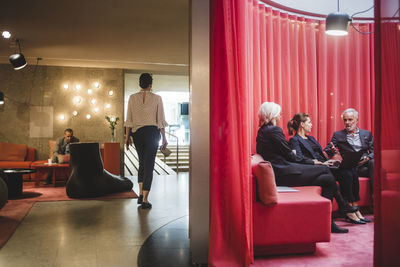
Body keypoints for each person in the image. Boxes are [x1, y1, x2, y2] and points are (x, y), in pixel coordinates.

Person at [256, 102, 358, 233]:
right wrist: (313, 163)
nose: (281, 116)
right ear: (272, 115)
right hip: (283, 172)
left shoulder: (262, 131)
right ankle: (343, 207)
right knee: (325, 170)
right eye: (279, 113)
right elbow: (289, 155)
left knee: (327, 179)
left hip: (279, 171)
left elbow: (286, 154)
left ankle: (329, 221)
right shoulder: (274, 130)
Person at [288, 113, 368, 224]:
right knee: (346, 174)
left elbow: (321, 153)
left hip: (325, 164)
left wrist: (329, 160)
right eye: (309, 122)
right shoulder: (294, 140)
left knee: (350, 170)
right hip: (314, 168)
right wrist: (315, 162)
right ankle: (347, 209)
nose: (311, 125)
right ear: (302, 124)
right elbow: (298, 158)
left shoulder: (311, 138)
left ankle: (351, 206)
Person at [125, 73, 168, 209]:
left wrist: (127, 137)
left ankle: (140, 193)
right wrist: (164, 138)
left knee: (142, 163)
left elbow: (129, 120)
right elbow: (160, 120)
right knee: (149, 165)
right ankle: (145, 199)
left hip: (137, 134)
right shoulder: (157, 98)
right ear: (151, 83)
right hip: (152, 134)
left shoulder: (132, 98)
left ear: (139, 83)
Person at [324, 108, 374, 212]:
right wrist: (332, 150)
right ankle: (352, 206)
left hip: (363, 164)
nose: (347, 123)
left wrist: (367, 158)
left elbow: (374, 151)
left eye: (350, 120)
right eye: (345, 120)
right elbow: (327, 149)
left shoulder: (366, 134)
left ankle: (375, 199)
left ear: (356, 120)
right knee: (349, 170)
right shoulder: (338, 135)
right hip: (349, 164)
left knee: (373, 163)